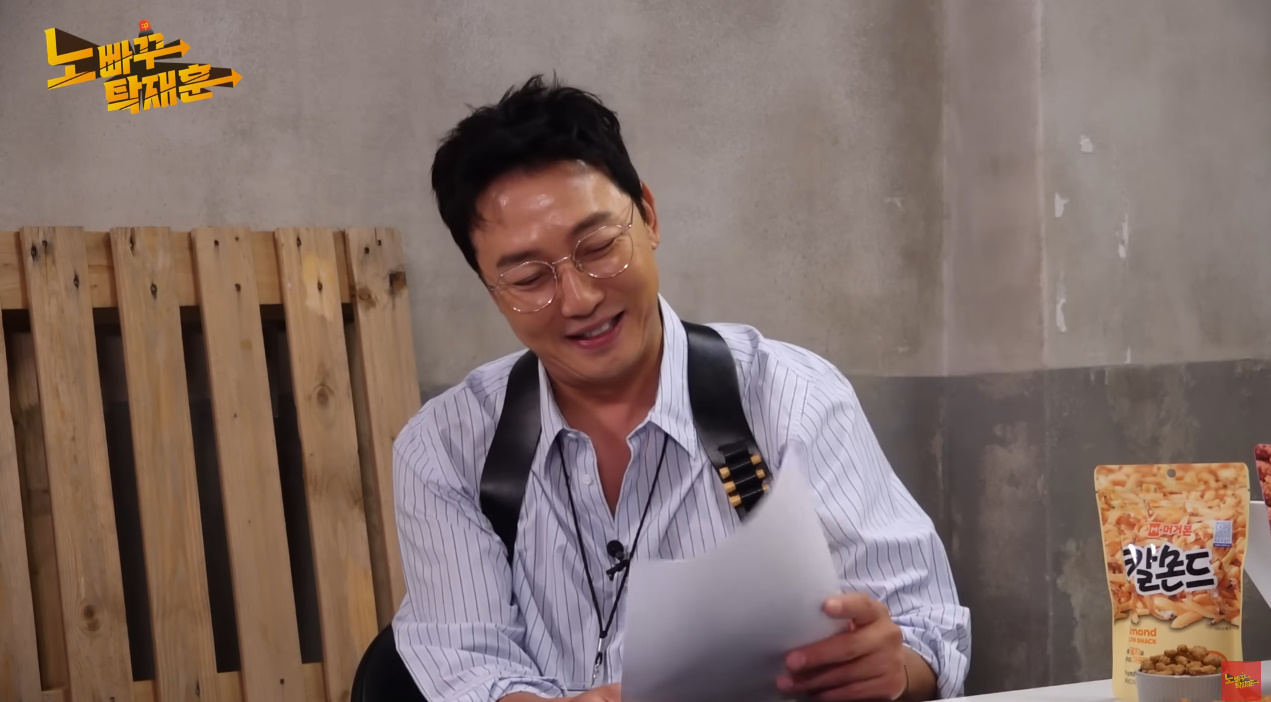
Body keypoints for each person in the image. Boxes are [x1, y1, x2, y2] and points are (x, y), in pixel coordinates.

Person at [391, 74, 971, 702]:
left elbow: (929, 629)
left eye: (598, 246)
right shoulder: (447, 449)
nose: (579, 300)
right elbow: (468, 665)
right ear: (490, 288)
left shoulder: (792, 399)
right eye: (530, 278)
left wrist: (895, 669)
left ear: (648, 215)